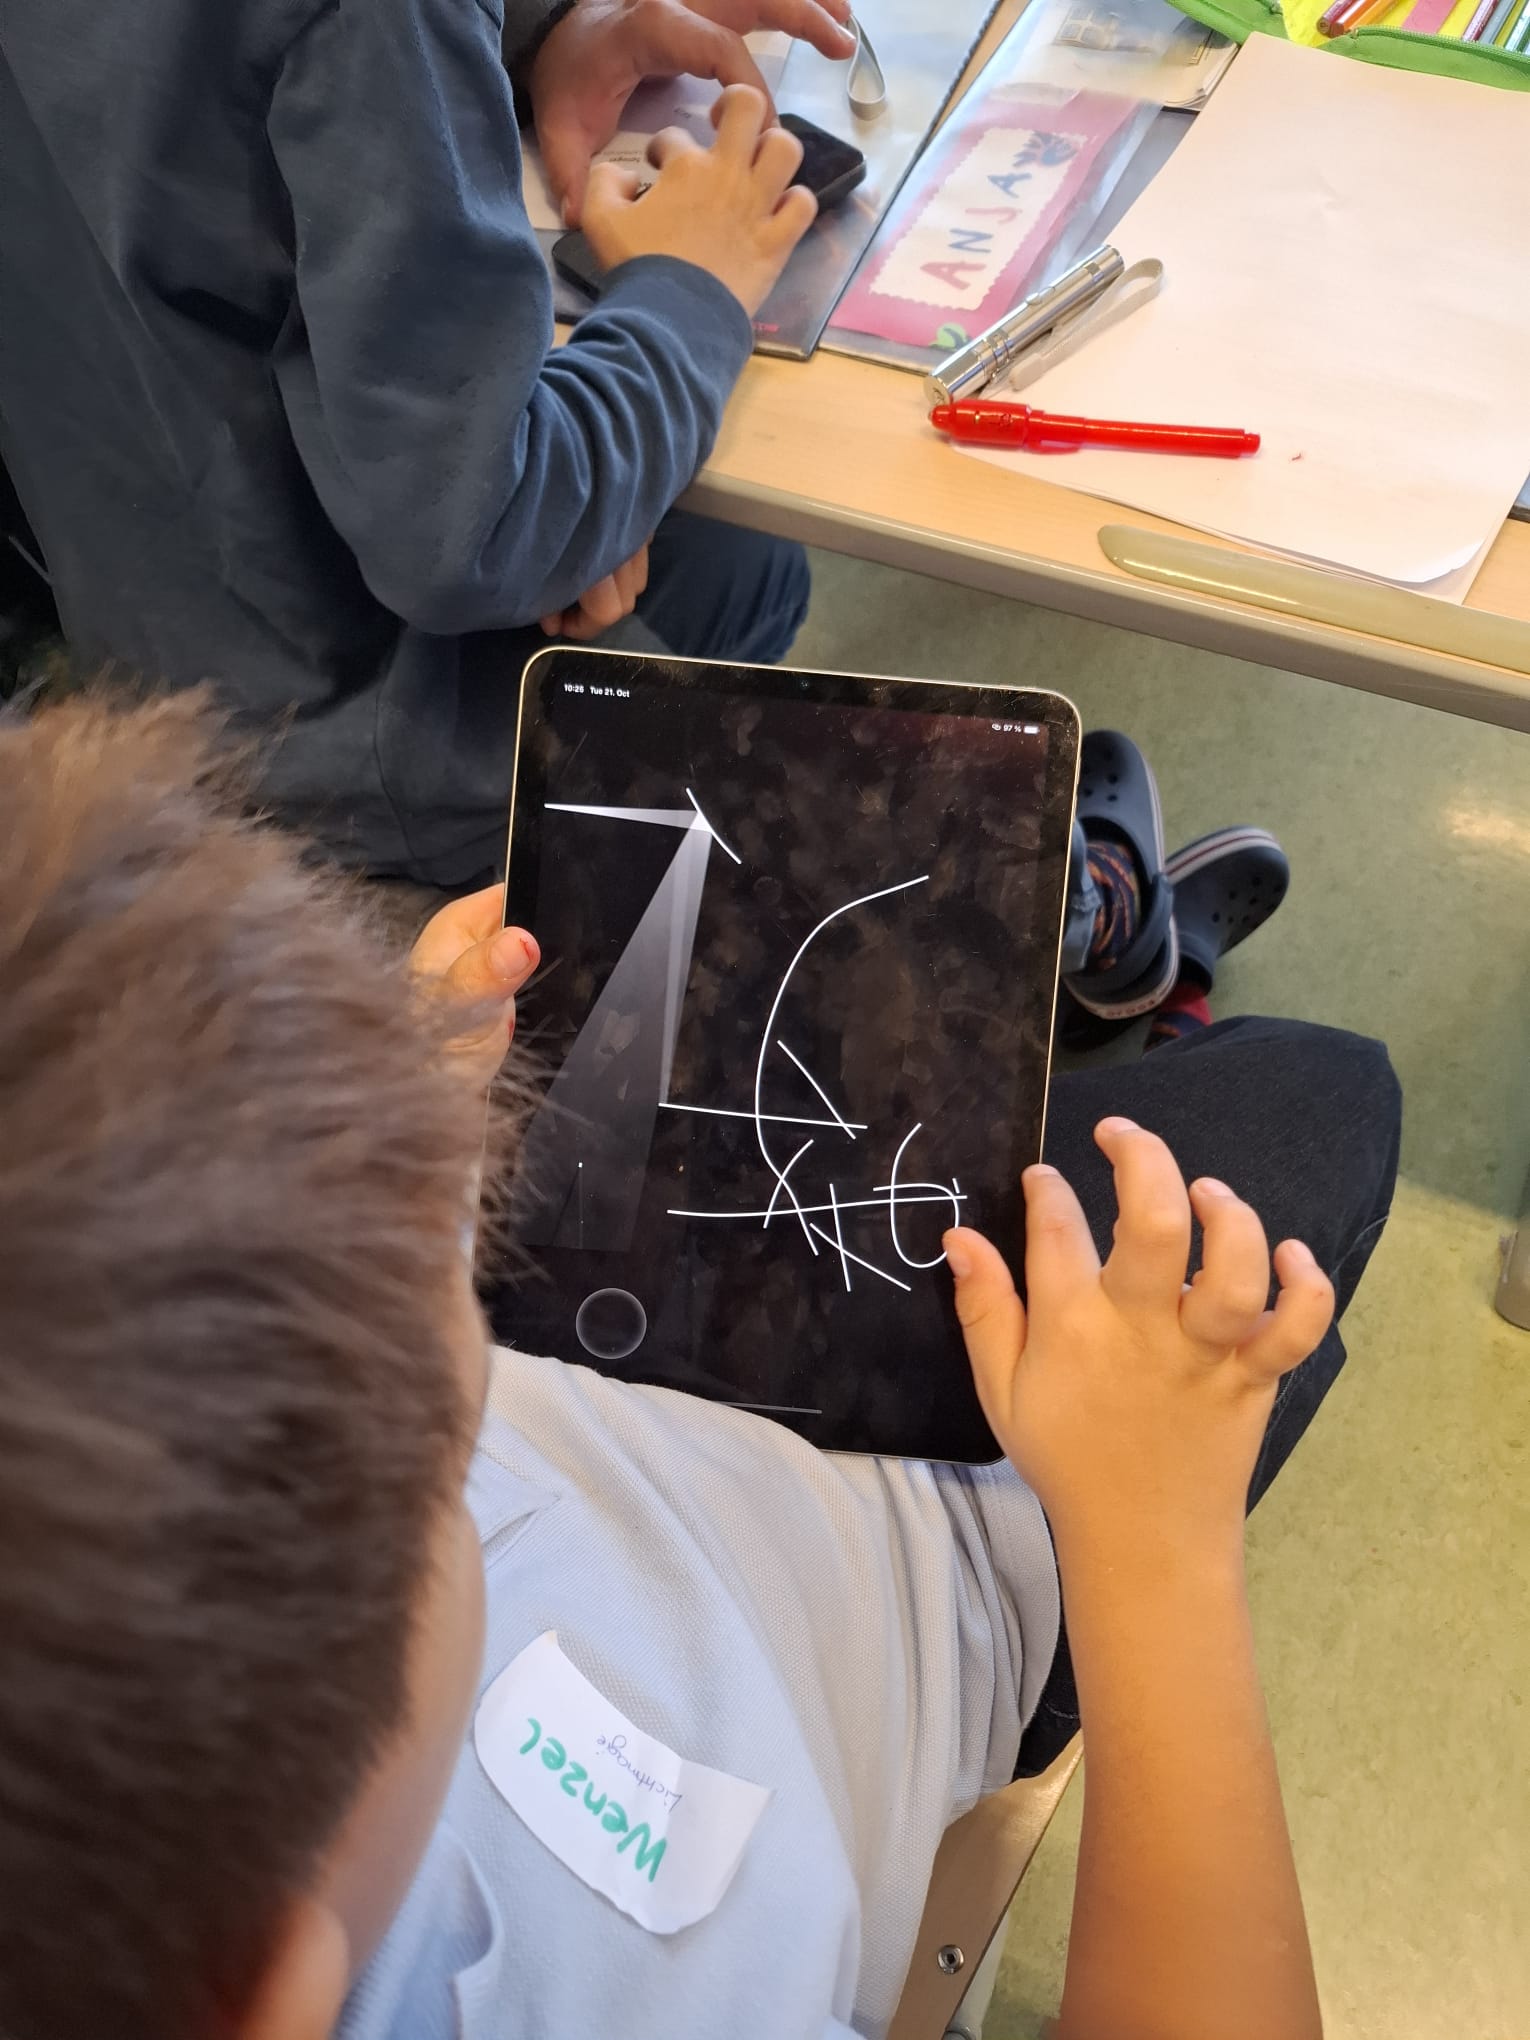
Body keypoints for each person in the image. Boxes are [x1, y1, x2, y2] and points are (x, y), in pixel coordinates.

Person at [0, 694, 1400, 2040]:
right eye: (440, 1433)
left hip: (632, 1349)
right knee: (1326, 1097)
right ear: (257, 1997)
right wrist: (1154, 1555)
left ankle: (1107, 938)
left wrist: (405, 1114)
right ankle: (1126, 947)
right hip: (956, 1556)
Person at [0, 0, 854, 885]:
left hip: (143, 649)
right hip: (364, 737)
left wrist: (539, 33)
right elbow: (474, 536)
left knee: (743, 563)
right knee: (793, 724)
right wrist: (687, 294)